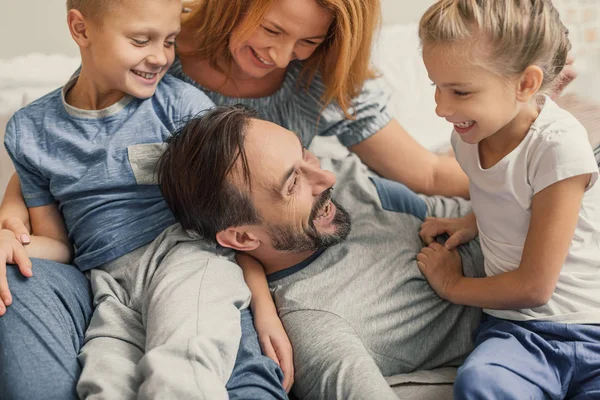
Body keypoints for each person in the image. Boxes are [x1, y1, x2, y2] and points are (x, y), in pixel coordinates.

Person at [0, 1, 287, 399]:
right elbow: (59, 243)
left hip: (184, 258)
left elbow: (232, 223)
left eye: (169, 41)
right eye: (140, 40)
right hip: (108, 284)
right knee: (105, 380)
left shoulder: (184, 109)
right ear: (81, 30)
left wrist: (264, 308)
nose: (159, 57)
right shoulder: (29, 131)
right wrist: (13, 241)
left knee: (179, 367)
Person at [155, 104, 486, 399]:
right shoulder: (317, 327)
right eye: (292, 184)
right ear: (242, 237)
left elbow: (464, 205)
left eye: (304, 153)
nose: (326, 177)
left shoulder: (345, 184)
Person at [415, 1, 600, 398]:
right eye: (437, 86)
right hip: (518, 331)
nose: (441, 108)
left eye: (460, 91)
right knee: (480, 381)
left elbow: (535, 288)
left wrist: (452, 285)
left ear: (525, 85)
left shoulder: (558, 147)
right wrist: (472, 221)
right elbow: (506, 193)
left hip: (589, 328)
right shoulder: (468, 137)